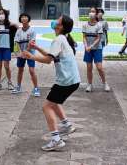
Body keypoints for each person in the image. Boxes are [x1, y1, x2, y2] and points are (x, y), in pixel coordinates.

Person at [22, 15, 80, 151]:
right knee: (54, 102)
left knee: (47, 107)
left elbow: (48, 60)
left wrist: (31, 56)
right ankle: (67, 125)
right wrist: (36, 47)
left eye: (57, 21)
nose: (54, 22)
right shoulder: (63, 39)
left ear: (61, 26)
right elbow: (51, 55)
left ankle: (56, 140)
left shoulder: (59, 39)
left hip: (66, 81)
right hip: (71, 80)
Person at [0, 9, 18, 91]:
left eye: (2, 13)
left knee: (7, 66)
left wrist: (15, 25)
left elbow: (18, 31)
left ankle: (10, 82)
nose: (1, 15)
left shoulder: (9, 25)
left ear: (5, 15)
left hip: (7, 48)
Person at [12, 13, 40, 96]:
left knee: (31, 70)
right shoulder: (18, 31)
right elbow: (16, 43)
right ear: (20, 19)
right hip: (21, 54)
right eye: (22, 17)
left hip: (30, 53)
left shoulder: (32, 30)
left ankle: (36, 88)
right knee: (20, 70)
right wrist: (19, 53)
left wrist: (25, 52)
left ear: (28, 19)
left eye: (25, 17)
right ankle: (18, 87)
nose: (24, 18)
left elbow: (32, 43)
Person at [83, 8, 110, 92]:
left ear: (96, 14)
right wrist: (86, 46)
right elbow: (84, 37)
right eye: (90, 11)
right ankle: (89, 84)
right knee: (89, 67)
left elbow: (98, 38)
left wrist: (91, 46)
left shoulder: (99, 25)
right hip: (88, 49)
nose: (91, 13)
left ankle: (105, 83)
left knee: (99, 67)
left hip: (97, 48)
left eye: (93, 11)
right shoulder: (85, 25)